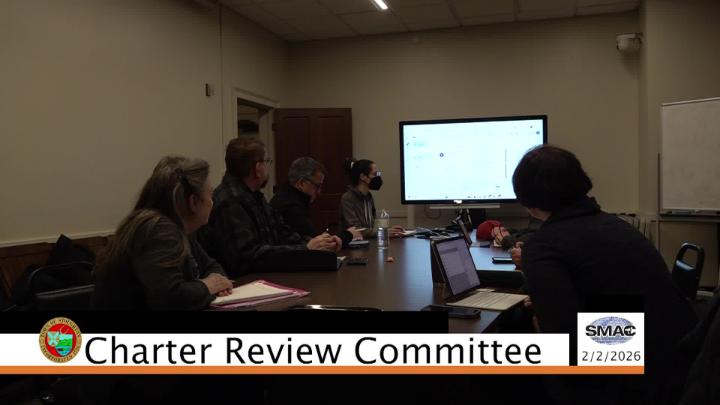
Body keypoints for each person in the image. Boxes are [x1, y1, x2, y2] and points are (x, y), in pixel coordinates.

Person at [512, 145, 697, 403]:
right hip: (681, 363)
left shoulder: (542, 247)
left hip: (627, 382)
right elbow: (617, 296)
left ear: (528, 201)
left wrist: (543, 317)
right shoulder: (618, 227)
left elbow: (564, 347)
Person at [93, 156, 234, 311]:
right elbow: (170, 298)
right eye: (210, 195)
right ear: (194, 202)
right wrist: (208, 286)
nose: (212, 201)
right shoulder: (157, 230)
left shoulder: (178, 226)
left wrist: (216, 283)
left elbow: (211, 266)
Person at [198, 138, 341, 278]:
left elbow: (282, 233)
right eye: (267, 162)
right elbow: (248, 256)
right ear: (258, 169)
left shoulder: (254, 196)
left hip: (265, 278)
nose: (268, 167)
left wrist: (322, 243)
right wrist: (306, 248)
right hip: (243, 284)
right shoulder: (229, 202)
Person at [270, 157, 362, 246]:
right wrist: (349, 235)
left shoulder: (289, 197)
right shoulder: (289, 206)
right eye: (317, 186)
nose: (319, 192)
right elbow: (318, 242)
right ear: (301, 183)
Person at [338, 159, 403, 239]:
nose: (377, 177)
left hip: (366, 242)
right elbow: (356, 229)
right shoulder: (347, 198)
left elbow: (369, 229)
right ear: (362, 177)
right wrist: (383, 232)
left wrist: (388, 230)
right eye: (374, 174)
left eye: (378, 174)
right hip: (352, 244)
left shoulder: (368, 196)